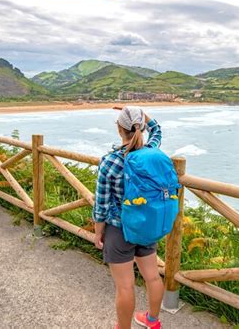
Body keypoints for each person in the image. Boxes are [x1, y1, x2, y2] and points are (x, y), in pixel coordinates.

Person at [93, 106, 164, 329]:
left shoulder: (110, 162)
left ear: (119, 128)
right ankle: (152, 321)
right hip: (146, 226)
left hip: (119, 229)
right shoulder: (151, 153)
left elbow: (101, 205)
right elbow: (157, 131)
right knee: (152, 277)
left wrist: (98, 232)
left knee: (125, 286)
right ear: (140, 128)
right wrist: (141, 114)